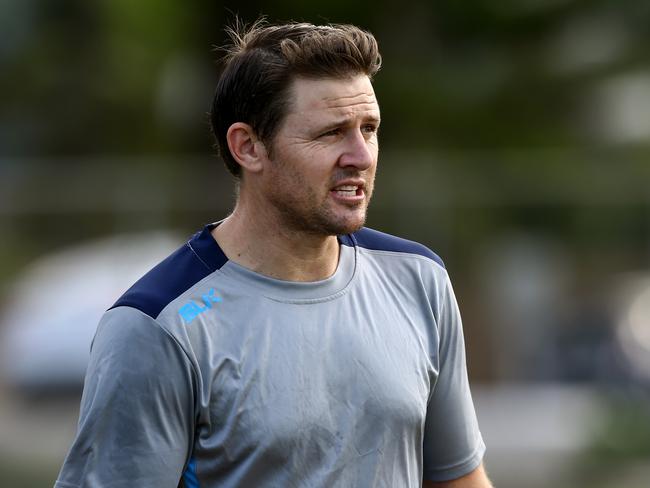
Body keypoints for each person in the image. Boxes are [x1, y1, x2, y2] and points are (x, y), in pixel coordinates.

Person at [55, 20, 492, 488]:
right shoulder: (159, 326)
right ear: (248, 147)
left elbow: (459, 480)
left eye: (370, 128)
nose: (361, 156)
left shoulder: (419, 281)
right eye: (331, 134)